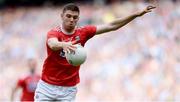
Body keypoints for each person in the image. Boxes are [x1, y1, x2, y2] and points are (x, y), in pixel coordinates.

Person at [34, 3, 156, 101]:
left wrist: (136, 14)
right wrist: (64, 44)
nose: (71, 19)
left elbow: (111, 25)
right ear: (62, 16)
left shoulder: (83, 32)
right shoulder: (54, 33)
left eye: (75, 17)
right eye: (68, 16)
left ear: (78, 19)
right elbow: (52, 44)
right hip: (47, 87)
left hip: (68, 90)